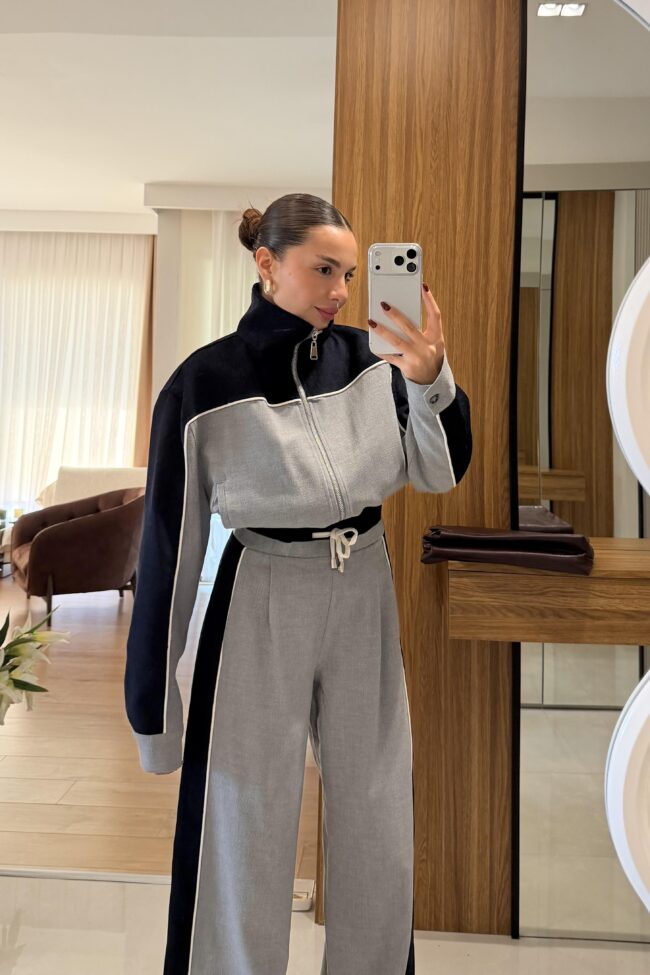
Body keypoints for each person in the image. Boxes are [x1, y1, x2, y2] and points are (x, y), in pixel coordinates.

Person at [124, 192, 472, 975]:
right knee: (242, 816)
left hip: (363, 587)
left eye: (349, 273)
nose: (341, 291)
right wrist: (152, 706)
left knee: (377, 811)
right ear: (267, 263)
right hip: (260, 595)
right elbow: (169, 551)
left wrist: (430, 378)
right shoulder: (202, 384)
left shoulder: (376, 358)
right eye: (323, 270)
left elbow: (439, 469)